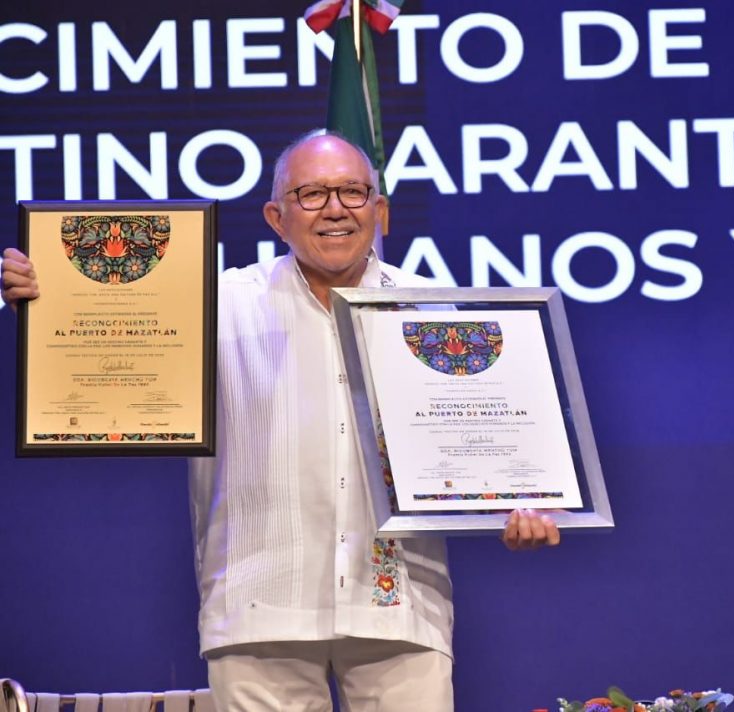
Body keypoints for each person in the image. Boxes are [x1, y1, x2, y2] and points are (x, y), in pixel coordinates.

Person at [2, 129, 560, 711]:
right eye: (312, 194)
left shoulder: (434, 308)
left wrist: (519, 503)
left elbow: (478, 440)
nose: (336, 209)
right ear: (276, 217)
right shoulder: (217, 302)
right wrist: (49, 303)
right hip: (260, 605)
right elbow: (112, 356)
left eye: (352, 192)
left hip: (400, 606)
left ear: (379, 210)